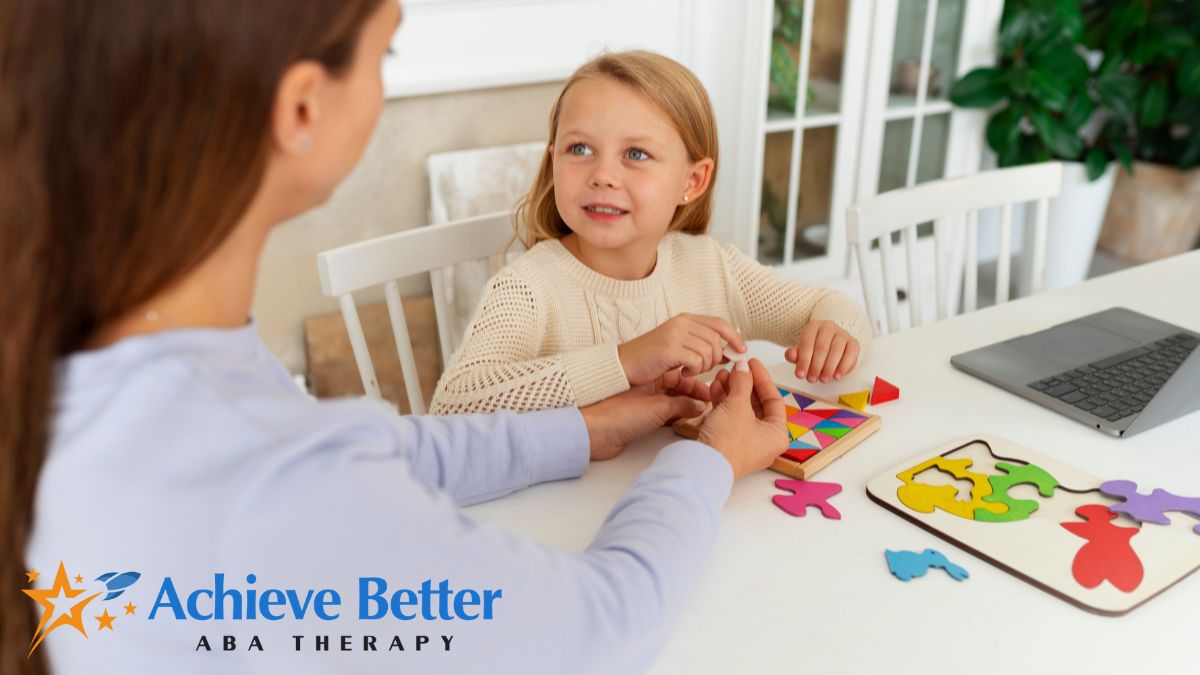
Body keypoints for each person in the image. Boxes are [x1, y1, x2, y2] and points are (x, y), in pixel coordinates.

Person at [0, 2, 789, 673]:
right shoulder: (272, 476)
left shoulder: (131, 351)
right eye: (387, 51)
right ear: (304, 106)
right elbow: (608, 622)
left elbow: (388, 449)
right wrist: (708, 459)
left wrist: (584, 427)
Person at [428, 50, 872, 416]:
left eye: (636, 153)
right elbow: (452, 404)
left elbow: (827, 305)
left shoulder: (711, 266)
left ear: (692, 182)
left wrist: (834, 330)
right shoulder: (527, 287)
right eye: (579, 149)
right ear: (553, 161)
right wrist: (627, 359)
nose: (602, 175)